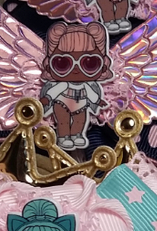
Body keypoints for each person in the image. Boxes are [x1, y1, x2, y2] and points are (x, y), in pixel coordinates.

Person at [39, 22, 112, 150]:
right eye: (63, 63)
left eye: (89, 63)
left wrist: (98, 101)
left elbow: (91, 94)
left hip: (82, 104)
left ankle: (77, 135)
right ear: (49, 65)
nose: (76, 69)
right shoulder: (62, 85)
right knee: (63, 121)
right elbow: (54, 91)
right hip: (62, 102)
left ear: (103, 65)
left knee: (80, 121)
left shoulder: (87, 86)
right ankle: (63, 137)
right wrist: (47, 98)